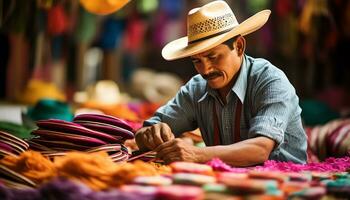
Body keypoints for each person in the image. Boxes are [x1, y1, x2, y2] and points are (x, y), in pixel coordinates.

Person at [135, 0, 307, 166]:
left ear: (239, 46)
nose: (205, 70)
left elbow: (260, 149)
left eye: (212, 57)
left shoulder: (270, 81)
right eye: (197, 61)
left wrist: (196, 154)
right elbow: (144, 132)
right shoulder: (196, 89)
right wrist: (152, 134)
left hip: (287, 183)